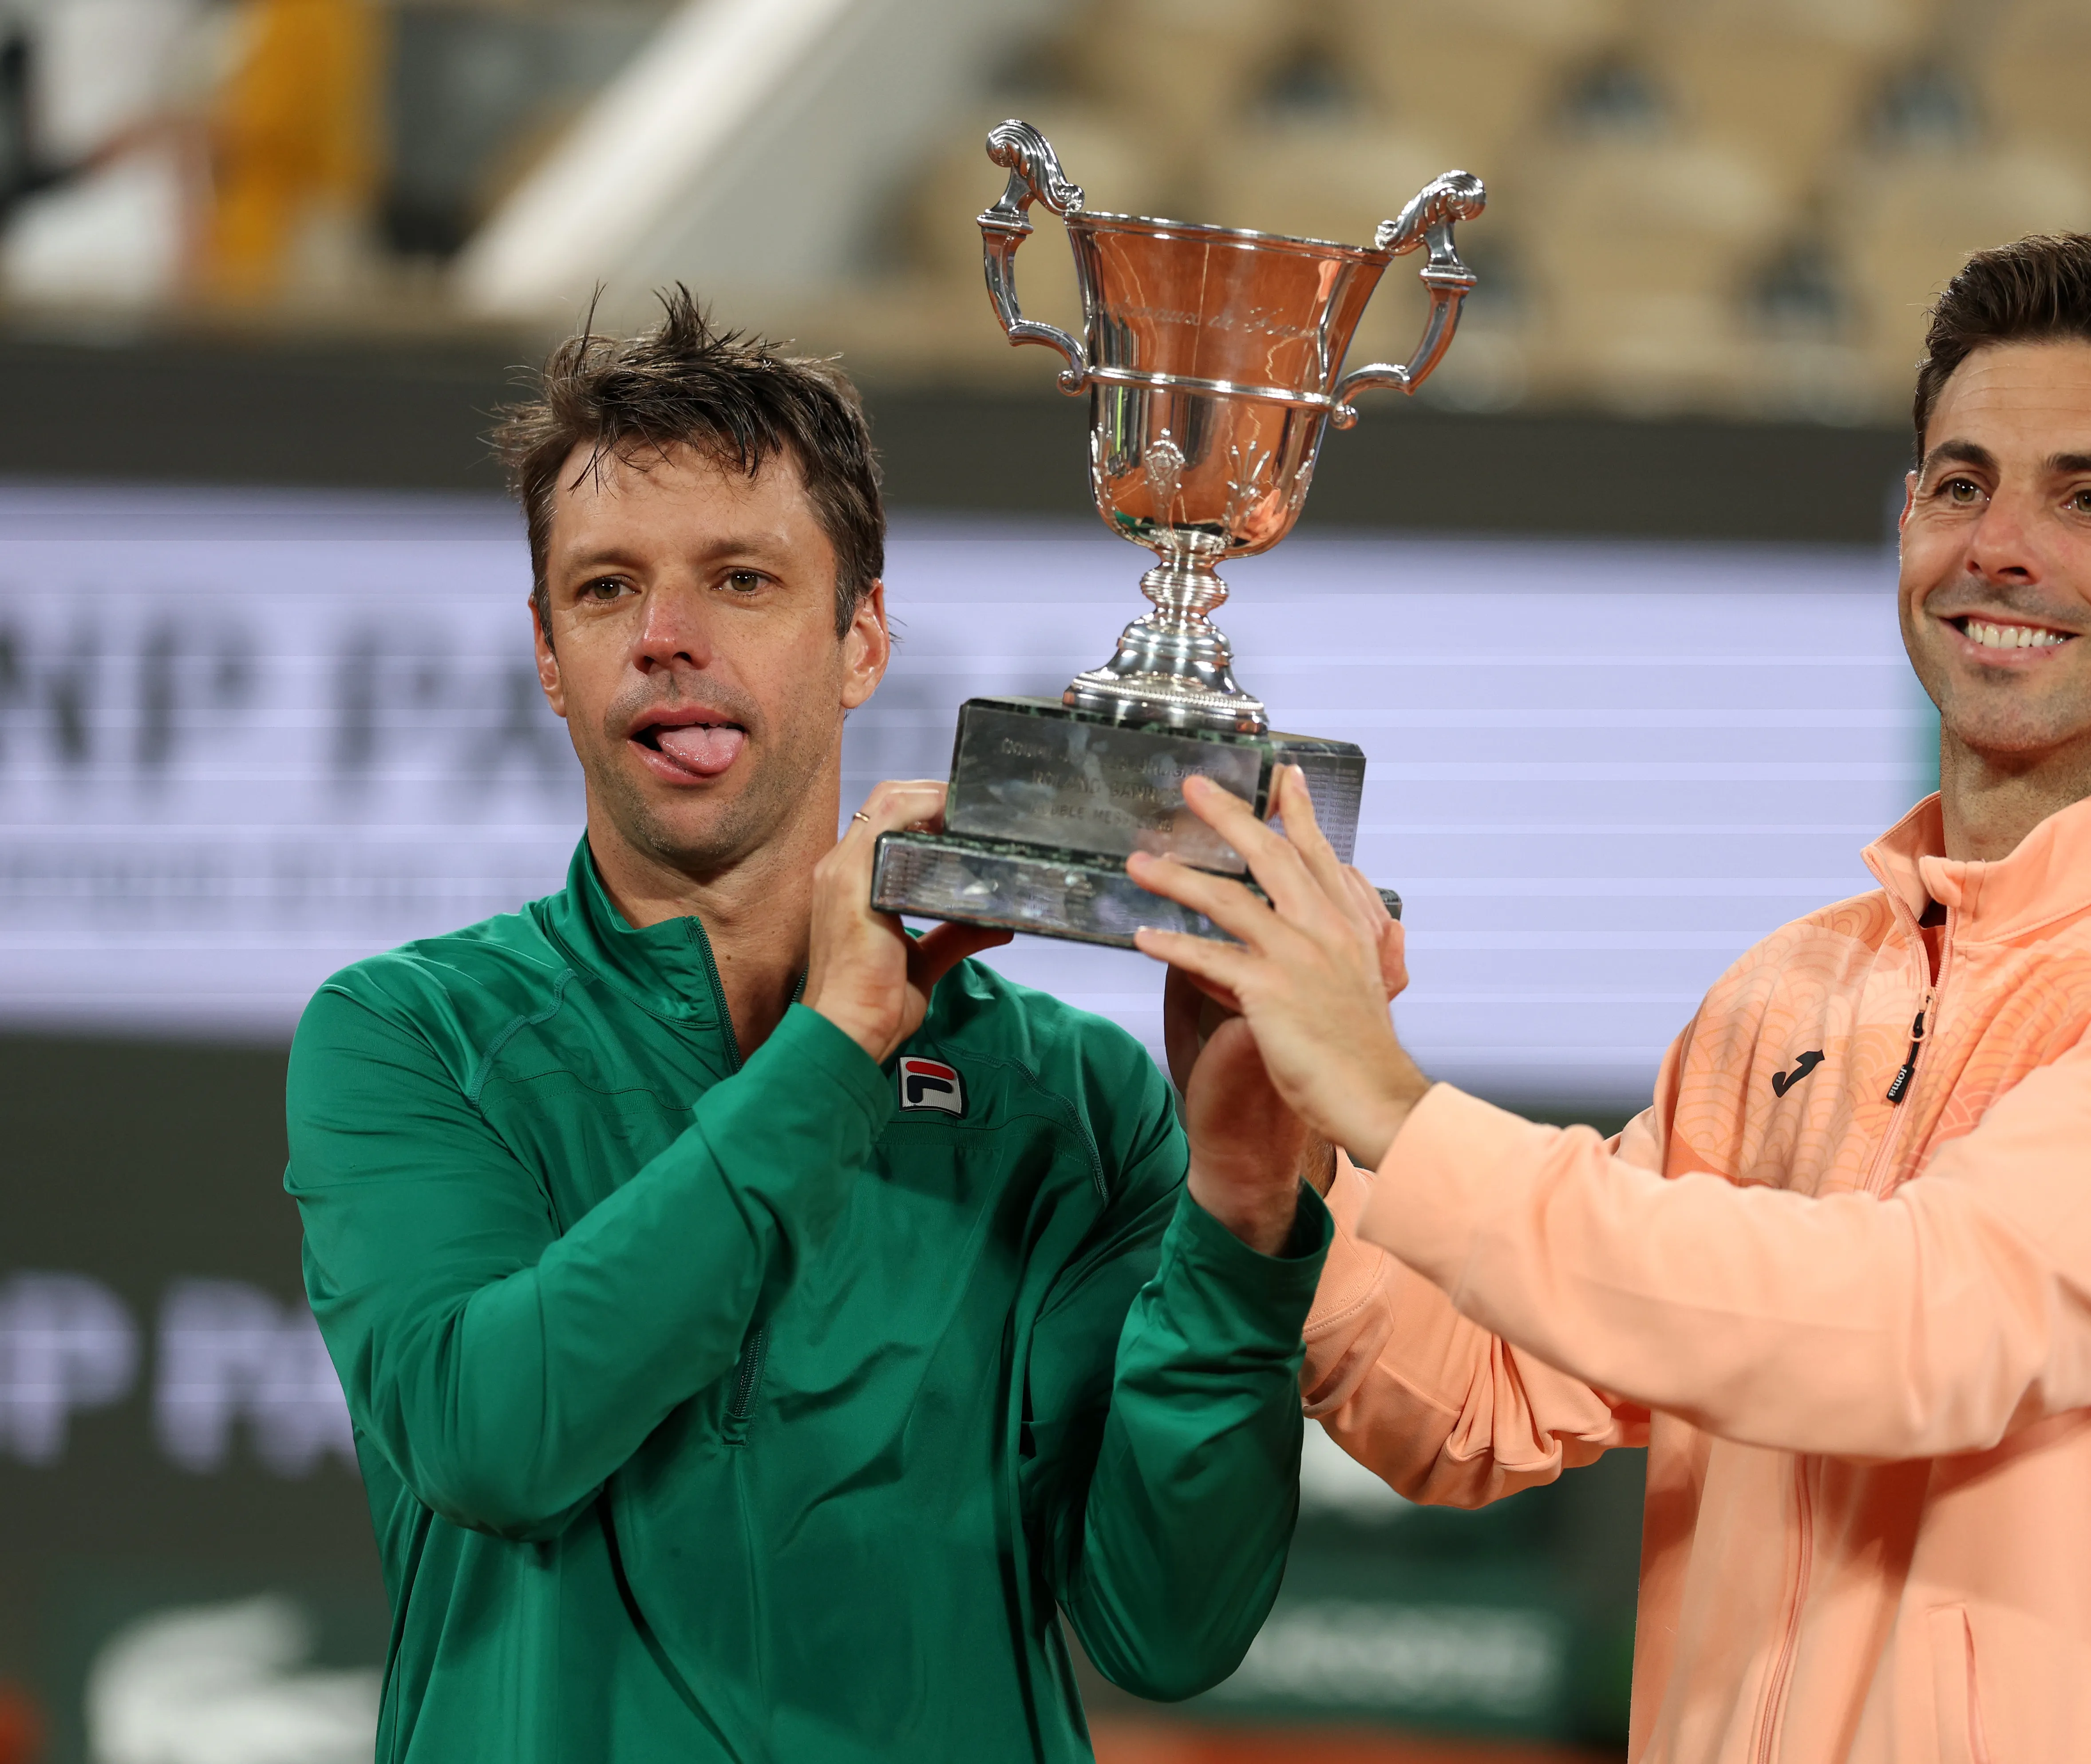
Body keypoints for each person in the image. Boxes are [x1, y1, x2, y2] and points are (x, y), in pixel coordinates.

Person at [1129, 234, 2091, 1762]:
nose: (2001, 547)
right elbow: (1472, 1399)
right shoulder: (1795, 991)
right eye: (1959, 485)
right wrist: (1285, 1158)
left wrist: (1396, 1110)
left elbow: (1920, 1328)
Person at [284, 291, 1331, 1763]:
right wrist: (831, 1049)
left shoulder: (1073, 1101)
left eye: (741, 580)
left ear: (862, 638)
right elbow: (493, 1434)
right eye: (603, 591)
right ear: (545, 653)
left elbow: (1170, 1623)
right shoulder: (412, 1038)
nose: (664, 639)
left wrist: (1238, 1211)